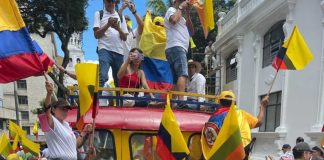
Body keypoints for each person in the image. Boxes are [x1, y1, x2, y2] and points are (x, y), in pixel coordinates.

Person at [204, 90, 269, 158]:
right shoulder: (241, 114)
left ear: (219, 103)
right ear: (235, 103)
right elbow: (259, 122)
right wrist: (262, 106)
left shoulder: (214, 117)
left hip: (223, 154)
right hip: (242, 151)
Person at [43, 81, 92, 159]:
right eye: (62, 109)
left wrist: (84, 131)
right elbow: (47, 112)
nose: (65, 111)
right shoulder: (52, 122)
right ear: (53, 109)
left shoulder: (66, 125)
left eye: (66, 109)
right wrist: (49, 94)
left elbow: (75, 145)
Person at [164, 0, 194, 104]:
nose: (184, 1)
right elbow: (173, 20)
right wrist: (181, 7)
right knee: (182, 74)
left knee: (176, 77)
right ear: (175, 1)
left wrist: (187, 13)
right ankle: (181, 102)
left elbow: (191, 31)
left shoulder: (182, 17)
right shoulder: (171, 10)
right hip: (177, 46)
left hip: (175, 47)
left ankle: (174, 102)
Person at [93, 0, 128, 88]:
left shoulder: (120, 16)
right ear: (104, 2)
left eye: (113, 1)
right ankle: (96, 101)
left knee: (119, 80)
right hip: (104, 50)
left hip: (119, 52)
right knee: (103, 77)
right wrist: (108, 24)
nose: (111, 4)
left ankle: (119, 102)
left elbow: (125, 38)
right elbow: (96, 35)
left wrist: (118, 28)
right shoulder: (99, 14)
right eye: (109, 1)